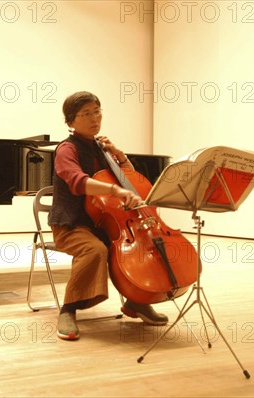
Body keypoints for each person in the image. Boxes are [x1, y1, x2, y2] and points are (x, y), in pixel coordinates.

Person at [48, 91, 168, 340]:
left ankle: (136, 300)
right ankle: (68, 309)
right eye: (86, 114)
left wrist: (119, 154)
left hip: (101, 223)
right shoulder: (66, 149)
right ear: (71, 122)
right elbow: (78, 181)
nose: (94, 118)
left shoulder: (102, 149)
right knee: (95, 250)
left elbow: (129, 178)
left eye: (97, 111)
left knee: (132, 251)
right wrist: (114, 191)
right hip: (71, 225)